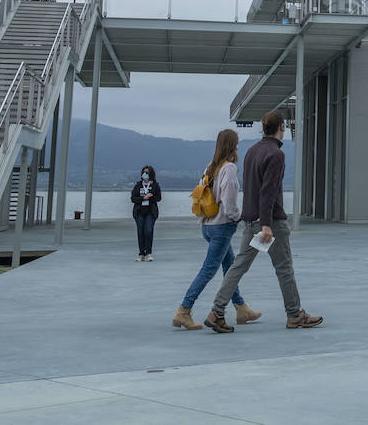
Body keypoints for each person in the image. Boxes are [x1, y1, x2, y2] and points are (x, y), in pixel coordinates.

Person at [209, 111, 322, 331]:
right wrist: (267, 224)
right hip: (270, 223)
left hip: (250, 219)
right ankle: (295, 315)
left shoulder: (252, 151)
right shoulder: (276, 155)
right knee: (284, 268)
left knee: (239, 266)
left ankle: (216, 311)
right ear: (282, 126)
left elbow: (253, 188)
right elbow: (269, 192)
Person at [172, 129, 261, 331]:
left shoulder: (210, 167)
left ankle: (241, 308)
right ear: (234, 145)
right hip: (222, 227)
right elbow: (229, 200)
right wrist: (237, 217)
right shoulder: (229, 168)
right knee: (209, 270)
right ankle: (183, 311)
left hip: (207, 225)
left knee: (229, 267)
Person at [131, 165, 162, 260]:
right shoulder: (138, 185)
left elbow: (159, 198)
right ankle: (141, 254)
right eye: (144, 172)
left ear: (151, 174)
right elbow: (133, 198)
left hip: (150, 211)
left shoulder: (155, 185)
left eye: (147, 172)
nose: (145, 174)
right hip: (139, 211)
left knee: (148, 231)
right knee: (140, 232)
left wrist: (151, 196)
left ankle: (148, 253)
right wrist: (143, 198)